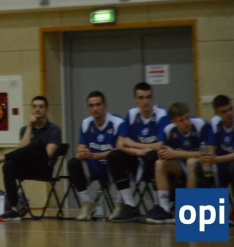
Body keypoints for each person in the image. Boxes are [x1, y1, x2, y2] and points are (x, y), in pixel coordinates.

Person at [0, 95, 62, 222]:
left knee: (37, 144)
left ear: (46, 111)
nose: (37, 110)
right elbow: (20, 151)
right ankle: (14, 208)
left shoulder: (54, 130)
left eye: (41, 107)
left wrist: (34, 149)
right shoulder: (25, 129)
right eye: (34, 107)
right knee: (9, 165)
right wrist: (29, 126)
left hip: (44, 169)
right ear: (31, 110)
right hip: (27, 167)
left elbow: (47, 155)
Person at [107, 82, 170, 223]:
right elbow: (120, 144)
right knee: (114, 156)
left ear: (152, 98)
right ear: (135, 100)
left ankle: (159, 205)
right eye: (141, 98)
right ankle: (130, 206)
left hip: (155, 162)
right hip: (137, 160)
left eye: (148, 97)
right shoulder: (131, 114)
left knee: (152, 155)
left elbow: (161, 145)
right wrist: (137, 151)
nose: (145, 101)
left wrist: (135, 144)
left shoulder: (161, 115)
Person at [144, 102, 206, 224]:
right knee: (159, 163)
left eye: (187, 118)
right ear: (173, 121)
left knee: (191, 162)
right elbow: (165, 152)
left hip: (201, 166)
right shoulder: (169, 130)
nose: (186, 122)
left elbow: (205, 154)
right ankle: (164, 208)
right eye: (181, 120)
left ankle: (188, 208)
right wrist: (164, 153)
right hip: (181, 167)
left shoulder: (200, 125)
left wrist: (176, 153)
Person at [67, 91, 124, 220]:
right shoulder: (86, 123)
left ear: (105, 106)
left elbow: (119, 151)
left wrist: (94, 155)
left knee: (118, 158)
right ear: (88, 108)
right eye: (91, 106)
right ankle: (86, 204)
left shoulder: (117, 123)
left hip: (112, 167)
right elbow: (81, 146)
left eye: (98, 105)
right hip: (95, 167)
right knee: (73, 162)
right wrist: (81, 153)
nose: (95, 109)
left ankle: (120, 206)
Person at [199, 94, 234, 224]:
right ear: (217, 114)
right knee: (201, 167)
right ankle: (206, 216)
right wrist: (209, 159)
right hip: (220, 164)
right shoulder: (214, 125)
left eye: (230, 109)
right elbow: (211, 150)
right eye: (224, 112)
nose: (229, 113)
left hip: (228, 163)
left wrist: (215, 160)